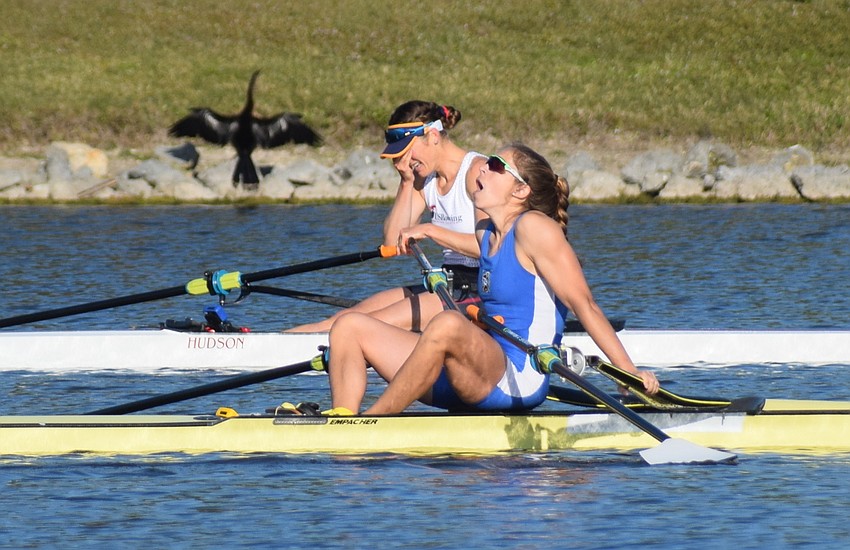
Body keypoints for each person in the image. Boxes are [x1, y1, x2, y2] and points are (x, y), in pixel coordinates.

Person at [323, 142, 658, 415]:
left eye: (496, 165)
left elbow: (584, 305)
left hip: (519, 378)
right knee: (350, 326)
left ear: (521, 190)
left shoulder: (536, 228)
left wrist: (626, 373)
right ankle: (343, 420)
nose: (482, 166)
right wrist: (428, 229)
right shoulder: (488, 231)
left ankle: (372, 421)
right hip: (474, 371)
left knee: (448, 324)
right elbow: (470, 243)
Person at [288, 100, 487, 333]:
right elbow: (392, 243)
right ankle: (262, 344)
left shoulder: (478, 172)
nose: (404, 160)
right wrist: (406, 182)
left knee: (360, 326)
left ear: (433, 135)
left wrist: (429, 230)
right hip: (448, 282)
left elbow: (489, 248)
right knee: (338, 320)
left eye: (407, 151)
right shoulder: (425, 180)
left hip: (483, 291)